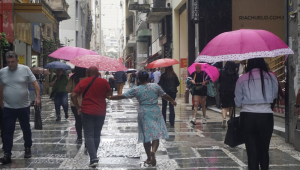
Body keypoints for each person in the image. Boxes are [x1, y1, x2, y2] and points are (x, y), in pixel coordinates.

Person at [109, 70, 176, 166]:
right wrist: (172, 101)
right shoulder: (155, 86)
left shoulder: (137, 89)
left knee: (146, 136)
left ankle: (149, 157)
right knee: (156, 134)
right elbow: (165, 95)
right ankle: (153, 151)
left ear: (139, 79)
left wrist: (110, 97)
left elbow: (123, 96)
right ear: (148, 78)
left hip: (143, 112)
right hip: (155, 111)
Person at [235, 58, 278, 170]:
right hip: (266, 117)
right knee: (264, 151)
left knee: (251, 153)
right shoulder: (271, 77)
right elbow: (274, 96)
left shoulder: (242, 79)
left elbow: (238, 102)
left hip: (247, 117)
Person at [0, 51, 41, 164]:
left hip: (23, 106)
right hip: (8, 107)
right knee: (8, 130)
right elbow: (1, 87)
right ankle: (7, 153)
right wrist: (1, 101)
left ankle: (27, 147)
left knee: (25, 128)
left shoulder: (25, 69)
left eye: (13, 62)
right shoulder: (2, 72)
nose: (11, 64)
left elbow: (35, 83)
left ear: (17, 60)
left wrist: (38, 97)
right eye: (8, 62)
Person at [71, 66, 111, 167]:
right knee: (97, 134)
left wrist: (77, 107)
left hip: (87, 111)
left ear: (88, 73)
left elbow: (73, 95)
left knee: (89, 135)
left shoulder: (83, 82)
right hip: (100, 112)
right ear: (98, 73)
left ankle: (93, 158)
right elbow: (109, 95)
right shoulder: (104, 82)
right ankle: (94, 156)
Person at [66, 67, 86, 144]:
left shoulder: (73, 78)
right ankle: (87, 137)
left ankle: (79, 138)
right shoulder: (87, 78)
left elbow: (68, 89)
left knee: (78, 120)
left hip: (75, 102)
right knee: (86, 120)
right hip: (85, 102)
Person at [219, 61, 238, 128]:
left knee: (224, 107)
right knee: (231, 107)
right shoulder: (235, 73)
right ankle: (231, 120)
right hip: (232, 91)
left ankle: (224, 118)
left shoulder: (221, 71)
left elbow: (219, 81)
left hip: (223, 91)